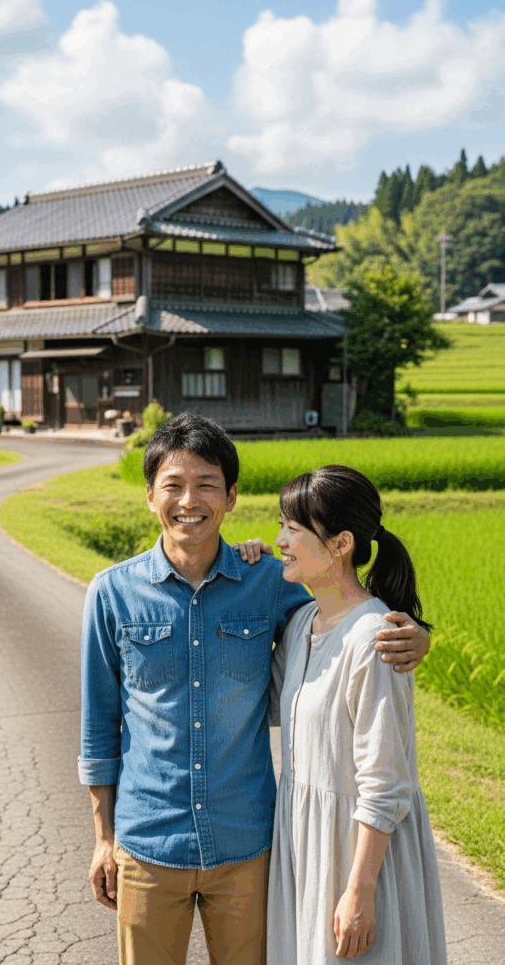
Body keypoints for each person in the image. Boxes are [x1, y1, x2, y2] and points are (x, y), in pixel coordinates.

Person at [79, 414, 429, 965]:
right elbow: (99, 725)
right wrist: (103, 837)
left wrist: (415, 635)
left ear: (232, 496)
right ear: (150, 496)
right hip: (148, 843)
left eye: (206, 485)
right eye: (172, 485)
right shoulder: (111, 594)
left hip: (248, 843)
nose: (188, 500)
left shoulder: (271, 582)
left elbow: (347, 622)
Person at [236, 465, 446, 963]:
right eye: (280, 525)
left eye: (293, 528)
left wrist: (361, 892)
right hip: (307, 841)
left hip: (356, 853)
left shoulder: (376, 638)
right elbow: (264, 703)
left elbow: (384, 781)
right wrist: (247, 574)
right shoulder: (303, 621)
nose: (279, 539)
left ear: (340, 543)